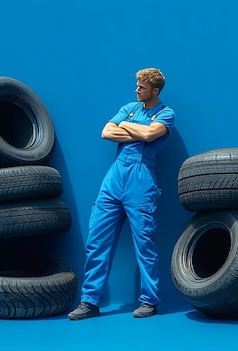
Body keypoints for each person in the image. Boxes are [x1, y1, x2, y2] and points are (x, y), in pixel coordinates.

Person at [68, 68, 175, 320]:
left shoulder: (166, 113)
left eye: (141, 87)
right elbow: (106, 132)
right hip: (114, 177)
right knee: (97, 241)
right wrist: (136, 128)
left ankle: (149, 301)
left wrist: (126, 126)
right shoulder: (129, 107)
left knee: (144, 243)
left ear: (155, 90)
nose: (136, 90)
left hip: (141, 179)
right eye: (137, 85)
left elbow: (151, 134)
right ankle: (89, 301)